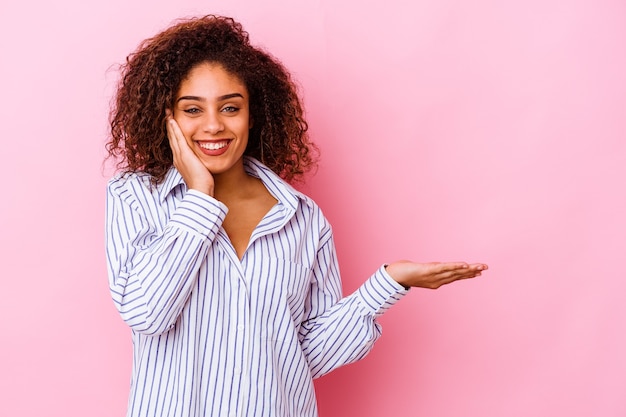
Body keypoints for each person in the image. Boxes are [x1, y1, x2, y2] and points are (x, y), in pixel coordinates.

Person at [105, 15, 487, 417]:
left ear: (253, 114)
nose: (213, 125)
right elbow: (146, 312)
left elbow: (305, 355)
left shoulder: (301, 218)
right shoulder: (135, 197)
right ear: (167, 118)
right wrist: (200, 195)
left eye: (230, 107)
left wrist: (388, 283)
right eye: (192, 109)